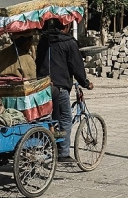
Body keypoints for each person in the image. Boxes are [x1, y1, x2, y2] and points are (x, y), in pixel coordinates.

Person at [35, 18, 93, 160]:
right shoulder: (69, 42)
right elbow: (77, 66)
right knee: (65, 119)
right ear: (66, 26)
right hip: (60, 87)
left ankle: (51, 143)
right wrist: (85, 83)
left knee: (50, 118)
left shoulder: (44, 40)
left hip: (42, 86)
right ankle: (63, 153)